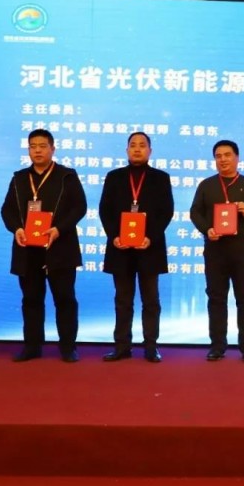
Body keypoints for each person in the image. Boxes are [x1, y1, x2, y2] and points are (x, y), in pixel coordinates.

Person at [0, 129, 87, 363]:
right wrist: (16, 229)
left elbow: (79, 207)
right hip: (27, 249)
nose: (37, 150)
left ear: (52, 149)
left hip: (60, 247)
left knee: (65, 299)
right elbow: (7, 210)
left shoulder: (67, 176)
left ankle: (68, 347)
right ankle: (32, 346)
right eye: (33, 146)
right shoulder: (19, 178)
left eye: (42, 146)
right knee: (31, 300)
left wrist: (58, 229)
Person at [190, 139, 244, 362]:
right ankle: (217, 346)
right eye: (218, 156)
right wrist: (207, 229)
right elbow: (195, 213)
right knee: (216, 298)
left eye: (227, 155)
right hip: (215, 251)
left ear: (237, 157)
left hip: (243, 252)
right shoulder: (206, 185)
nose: (223, 159)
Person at [99, 132, 174, 363]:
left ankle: (151, 346)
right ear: (127, 150)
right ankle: (122, 346)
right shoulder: (114, 177)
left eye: (142, 145)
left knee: (151, 301)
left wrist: (150, 237)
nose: (137, 149)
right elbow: (105, 210)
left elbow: (166, 211)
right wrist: (114, 236)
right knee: (123, 300)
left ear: (150, 151)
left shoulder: (160, 178)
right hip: (120, 248)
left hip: (149, 247)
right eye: (133, 145)